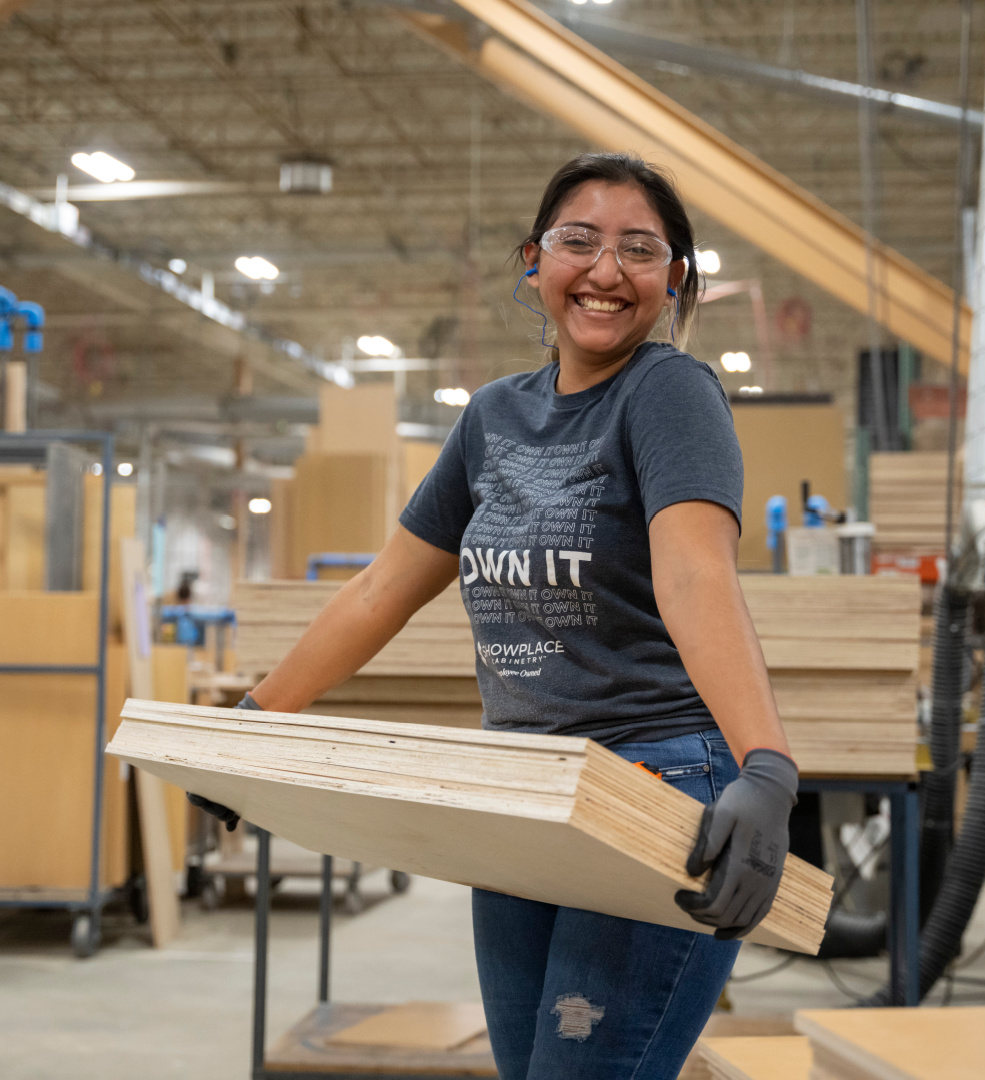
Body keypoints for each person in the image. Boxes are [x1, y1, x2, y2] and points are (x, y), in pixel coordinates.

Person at [191, 152, 798, 1079]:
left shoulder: (668, 392)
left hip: (656, 783)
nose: (605, 270)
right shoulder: (492, 417)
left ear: (674, 278)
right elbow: (380, 589)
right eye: (578, 241)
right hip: (523, 790)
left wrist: (767, 768)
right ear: (533, 260)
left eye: (640, 250)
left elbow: (695, 578)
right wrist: (257, 723)